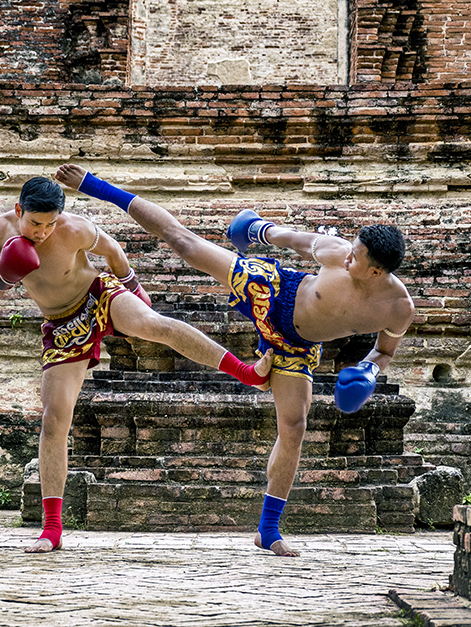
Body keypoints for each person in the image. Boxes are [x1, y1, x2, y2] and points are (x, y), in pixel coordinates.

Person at [55, 164, 414, 557]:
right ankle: (97, 185)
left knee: (294, 425)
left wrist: (368, 370)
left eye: (357, 257)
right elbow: (291, 239)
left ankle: (268, 529)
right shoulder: (337, 253)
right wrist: (258, 228)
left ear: (377, 271)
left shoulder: (397, 309)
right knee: (186, 244)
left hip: (296, 343)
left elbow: (384, 352)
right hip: (274, 290)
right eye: (352, 249)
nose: (349, 256)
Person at [0, 176, 274, 554]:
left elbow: (113, 250)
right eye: (35, 223)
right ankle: (52, 529)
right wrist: (3, 277)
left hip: (98, 295)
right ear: (18, 211)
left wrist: (132, 287)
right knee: (54, 421)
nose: (44, 233)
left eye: (51, 224)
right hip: (63, 326)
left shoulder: (76, 229)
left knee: (154, 324)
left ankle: (248, 372)